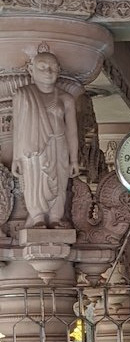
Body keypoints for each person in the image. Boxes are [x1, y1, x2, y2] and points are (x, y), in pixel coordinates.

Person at [11, 48, 80, 228]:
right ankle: (38, 217)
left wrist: (74, 160)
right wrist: (16, 157)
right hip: (33, 148)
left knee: (59, 182)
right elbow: (18, 127)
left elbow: (72, 131)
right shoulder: (24, 94)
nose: (48, 72)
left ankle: (56, 217)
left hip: (59, 145)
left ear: (58, 70)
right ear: (31, 70)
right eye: (42, 67)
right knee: (35, 181)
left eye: (52, 68)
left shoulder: (66, 99)